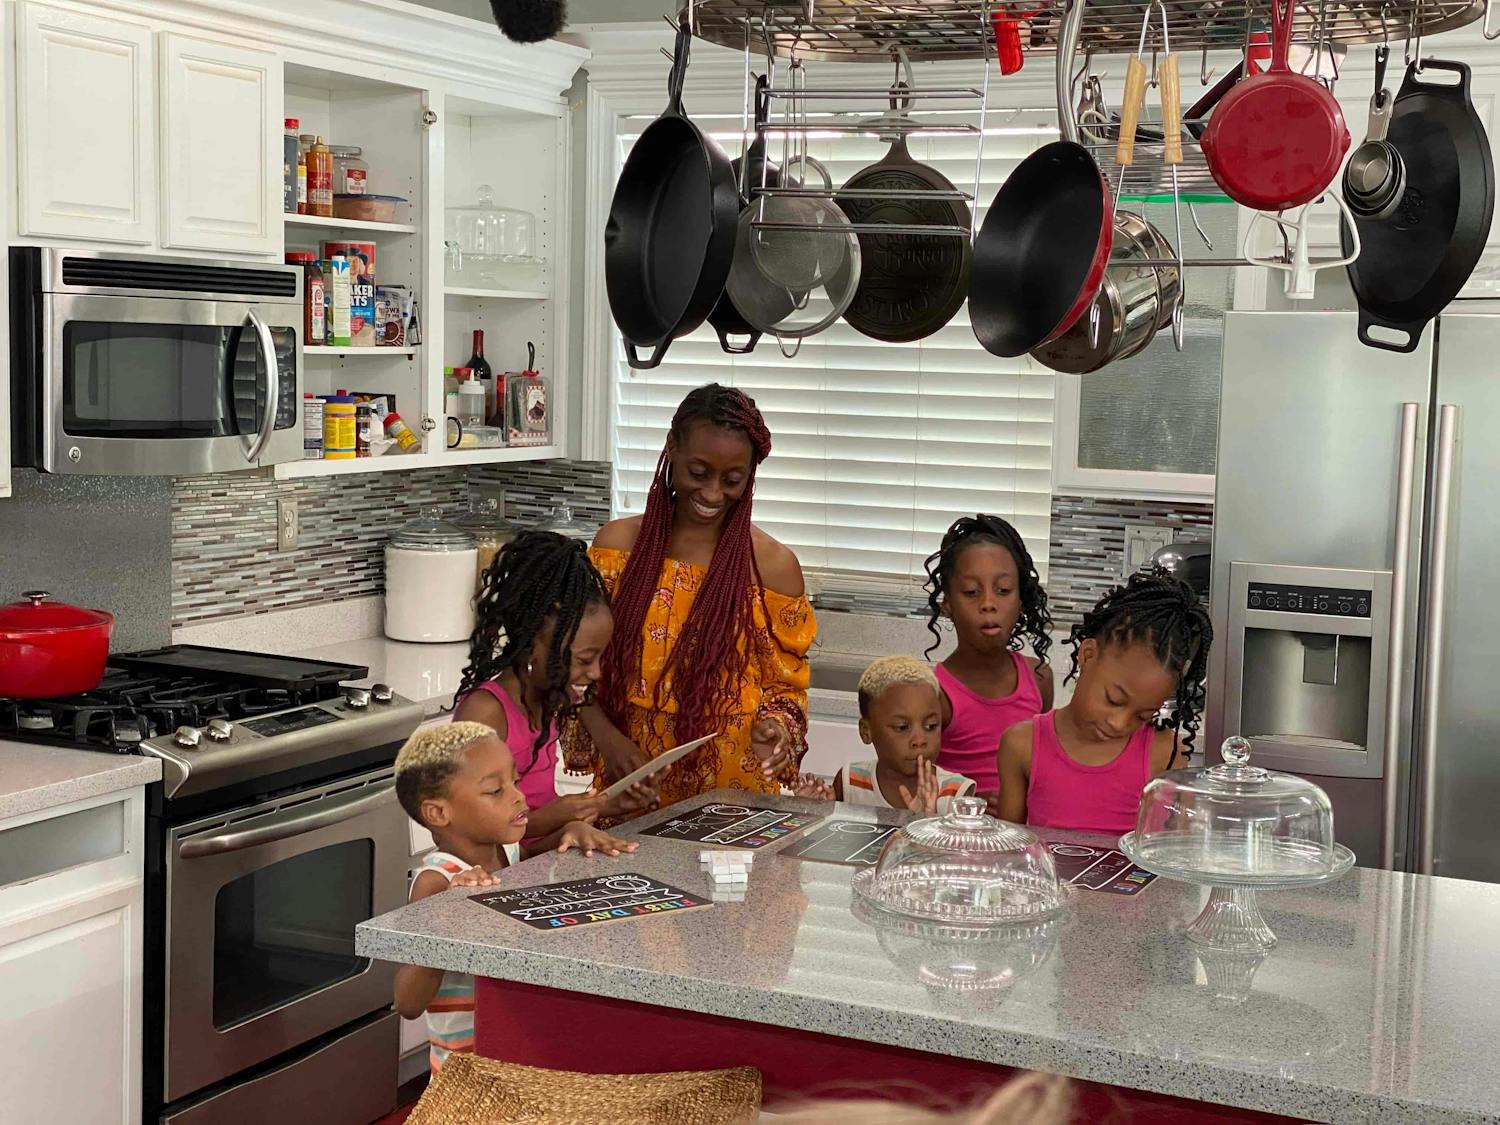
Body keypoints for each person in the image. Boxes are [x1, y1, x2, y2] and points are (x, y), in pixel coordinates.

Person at [564, 384, 817, 807]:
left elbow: (786, 690)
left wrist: (777, 729)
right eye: (699, 473)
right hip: (630, 792)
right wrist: (608, 741)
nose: (713, 493)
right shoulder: (616, 549)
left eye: (732, 480)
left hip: (734, 802)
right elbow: (574, 668)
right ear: (672, 450)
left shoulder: (773, 567)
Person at [392, 722, 635, 1072]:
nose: (518, 796)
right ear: (439, 813)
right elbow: (408, 1002)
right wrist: (448, 916)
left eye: (515, 782)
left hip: (520, 1054)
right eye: (495, 790)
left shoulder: (507, 849)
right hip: (469, 1072)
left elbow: (532, 859)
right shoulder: (436, 881)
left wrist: (570, 831)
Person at [453, 531, 657, 841]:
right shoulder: (485, 714)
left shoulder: (544, 700)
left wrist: (607, 806)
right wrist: (555, 818)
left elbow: (537, 813)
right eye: (585, 659)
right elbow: (466, 828)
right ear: (534, 644)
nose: (597, 673)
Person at [995, 570, 1212, 835]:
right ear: (1087, 655)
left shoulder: (1165, 753)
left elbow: (1177, 854)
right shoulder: (1022, 744)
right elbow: (1006, 850)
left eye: (1143, 716)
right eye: (1114, 699)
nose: (1119, 723)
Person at [923, 515, 1054, 806]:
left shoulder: (1040, 678)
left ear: (1021, 602)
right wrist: (970, 804)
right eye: (971, 592)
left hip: (1021, 840)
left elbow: (1043, 767)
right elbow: (918, 783)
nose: (988, 603)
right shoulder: (934, 693)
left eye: (1003, 590)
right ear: (948, 605)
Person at [828, 656, 977, 815]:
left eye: (931, 726)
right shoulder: (850, 782)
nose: (919, 740)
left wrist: (927, 819)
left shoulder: (956, 794)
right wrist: (813, 808)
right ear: (866, 732)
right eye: (902, 727)